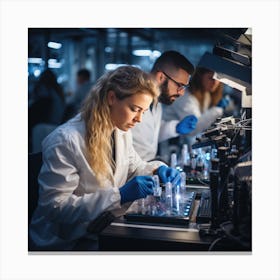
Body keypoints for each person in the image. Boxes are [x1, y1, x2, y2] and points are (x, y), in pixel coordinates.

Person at [29, 66, 180, 251]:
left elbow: (134, 166)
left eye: (144, 112)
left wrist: (157, 169)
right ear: (111, 98)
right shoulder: (66, 140)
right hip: (66, 242)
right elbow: (54, 207)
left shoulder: (119, 131)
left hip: (98, 229)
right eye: (135, 109)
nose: (139, 119)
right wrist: (119, 195)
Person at [130, 50, 197, 162]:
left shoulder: (157, 101)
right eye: (180, 85)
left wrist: (175, 127)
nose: (181, 93)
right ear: (161, 77)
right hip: (128, 172)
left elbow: (149, 134)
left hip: (143, 168)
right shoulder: (131, 100)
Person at [162, 67, 230, 150]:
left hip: (185, 143)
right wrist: (217, 110)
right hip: (171, 144)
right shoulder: (186, 98)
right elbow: (193, 128)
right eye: (211, 78)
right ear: (200, 76)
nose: (215, 82)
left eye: (218, 79)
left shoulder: (206, 94)